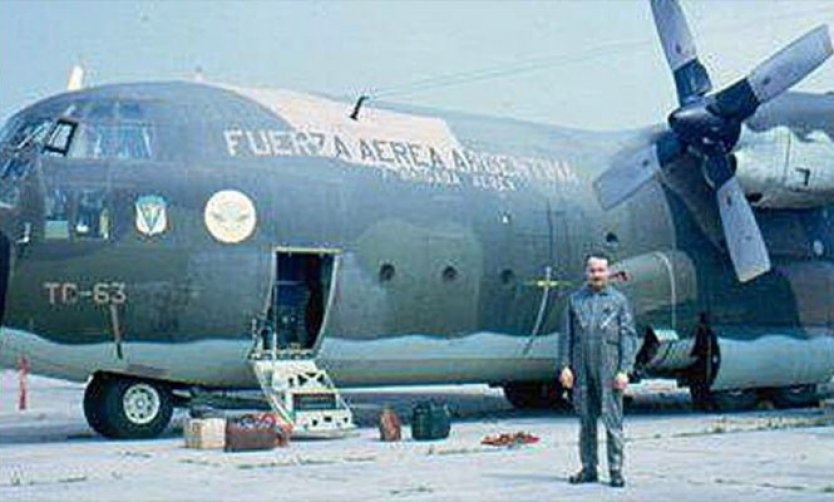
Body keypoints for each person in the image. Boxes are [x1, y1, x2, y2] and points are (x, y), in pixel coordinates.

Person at [557, 253, 637, 488]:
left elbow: (628, 337)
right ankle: (588, 468)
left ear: (608, 272)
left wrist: (625, 370)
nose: (597, 275)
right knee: (586, 422)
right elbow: (566, 337)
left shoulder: (619, 301)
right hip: (581, 370)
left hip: (609, 370)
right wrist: (564, 367)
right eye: (592, 270)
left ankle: (615, 470)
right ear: (586, 272)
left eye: (601, 270)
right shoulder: (575, 301)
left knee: (613, 422)